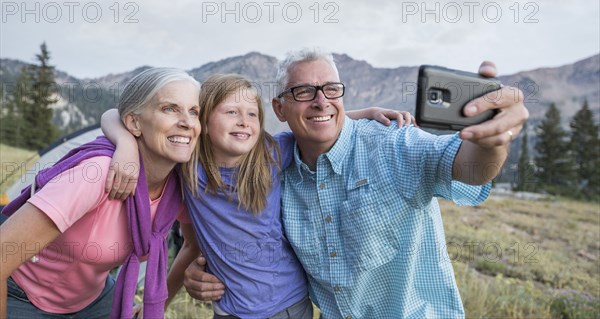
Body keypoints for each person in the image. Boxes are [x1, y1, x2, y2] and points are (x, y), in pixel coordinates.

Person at [186, 51, 529, 318]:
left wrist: (492, 140)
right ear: (280, 108)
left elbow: (467, 167)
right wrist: (199, 268)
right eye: (304, 92)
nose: (321, 100)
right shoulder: (275, 169)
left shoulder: (394, 145)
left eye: (331, 90)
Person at [101, 73, 415, 318]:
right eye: (231, 112)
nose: (244, 121)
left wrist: (365, 113)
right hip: (231, 309)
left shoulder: (273, 153)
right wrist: (126, 145)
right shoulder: (188, 164)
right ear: (204, 121)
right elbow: (114, 115)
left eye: (252, 114)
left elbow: (315, 125)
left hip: (290, 304)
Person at [0, 68, 203, 319]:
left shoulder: (180, 189)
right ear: (134, 123)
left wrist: (158, 306)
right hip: (22, 295)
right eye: (169, 108)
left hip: (93, 299)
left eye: (194, 112)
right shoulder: (96, 174)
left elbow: (192, 245)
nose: (187, 122)